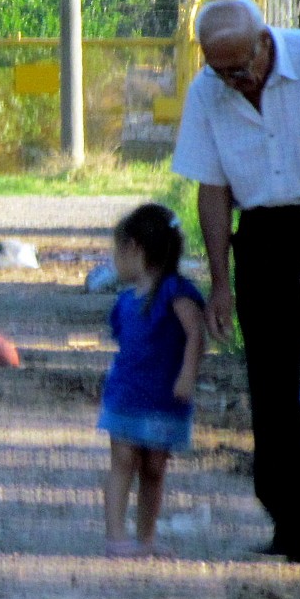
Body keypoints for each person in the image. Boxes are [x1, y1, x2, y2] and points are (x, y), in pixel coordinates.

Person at [171, 0, 300, 564]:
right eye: (221, 73)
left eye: (242, 70)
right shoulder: (206, 92)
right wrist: (220, 282)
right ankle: (295, 532)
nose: (234, 83)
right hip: (262, 236)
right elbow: (212, 191)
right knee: (271, 389)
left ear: (265, 41)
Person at [98, 203, 208, 558]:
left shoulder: (176, 292)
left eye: (117, 251)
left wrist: (188, 374)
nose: (115, 259)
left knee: (154, 467)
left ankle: (146, 538)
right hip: (126, 395)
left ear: (134, 248)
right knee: (123, 460)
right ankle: (115, 536)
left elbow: (195, 333)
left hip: (163, 398)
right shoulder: (125, 301)